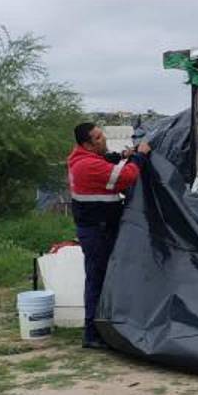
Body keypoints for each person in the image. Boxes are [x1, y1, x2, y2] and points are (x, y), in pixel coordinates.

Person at [67, 122, 150, 349]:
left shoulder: (80, 159)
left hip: (98, 228)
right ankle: (92, 334)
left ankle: (102, 328)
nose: (103, 139)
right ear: (87, 145)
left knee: (101, 278)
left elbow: (105, 162)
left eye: (102, 134)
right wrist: (139, 157)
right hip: (98, 231)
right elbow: (127, 176)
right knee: (97, 279)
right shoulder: (88, 166)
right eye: (98, 138)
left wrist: (123, 155)